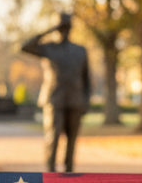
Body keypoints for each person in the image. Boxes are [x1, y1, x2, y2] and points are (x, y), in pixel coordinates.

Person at [21, 13, 91, 173]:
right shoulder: (48, 48)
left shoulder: (80, 51)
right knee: (52, 138)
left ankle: (70, 173)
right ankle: (50, 173)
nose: (64, 31)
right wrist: (48, 30)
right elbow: (25, 47)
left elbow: (87, 79)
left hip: (75, 100)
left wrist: (86, 101)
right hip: (54, 100)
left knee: (72, 141)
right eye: (61, 28)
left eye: (66, 27)